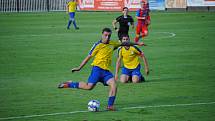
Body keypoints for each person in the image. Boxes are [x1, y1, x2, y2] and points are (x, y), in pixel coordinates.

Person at [58, 28, 145, 111]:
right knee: (89, 87)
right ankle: (69, 84)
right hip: (97, 69)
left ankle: (110, 106)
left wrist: (137, 43)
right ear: (102, 35)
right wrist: (79, 68)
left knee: (114, 84)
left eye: (109, 36)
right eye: (105, 35)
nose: (107, 37)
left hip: (106, 71)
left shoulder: (112, 43)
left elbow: (125, 44)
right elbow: (88, 57)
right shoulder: (97, 45)